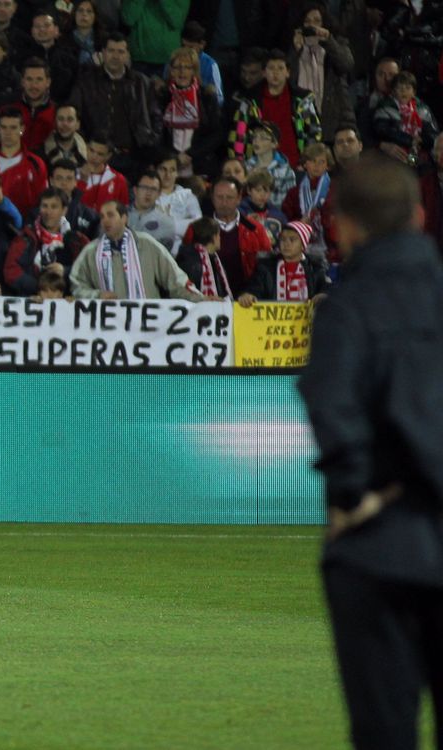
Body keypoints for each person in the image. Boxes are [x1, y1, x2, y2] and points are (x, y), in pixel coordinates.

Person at [296, 154, 443, 750]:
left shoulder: (346, 310)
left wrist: (354, 493)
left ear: (344, 226)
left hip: (378, 543)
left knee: (384, 733)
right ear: (418, 215)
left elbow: (330, 402)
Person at [70, 201, 203, 301]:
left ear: (124, 218)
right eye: (102, 216)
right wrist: (97, 295)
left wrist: (202, 300)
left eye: (110, 215)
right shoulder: (91, 251)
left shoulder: (147, 244)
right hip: (108, 328)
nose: (105, 221)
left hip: (147, 326)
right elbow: (76, 286)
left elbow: (176, 280)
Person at [68, 32, 158, 180]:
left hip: (133, 159)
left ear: (128, 54)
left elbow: (156, 118)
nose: (115, 56)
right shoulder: (86, 81)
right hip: (94, 158)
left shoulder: (142, 83)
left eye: (120, 51)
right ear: (103, 52)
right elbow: (74, 114)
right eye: (111, 51)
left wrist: (150, 146)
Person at [229, 50, 321, 168]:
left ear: (288, 72)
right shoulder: (248, 101)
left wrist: (307, 162)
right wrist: (240, 164)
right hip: (259, 168)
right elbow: (238, 134)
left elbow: (314, 132)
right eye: (271, 68)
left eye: (280, 68)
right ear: (264, 72)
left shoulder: (302, 100)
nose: (275, 73)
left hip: (295, 165)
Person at [289, 5, 354, 145]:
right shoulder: (294, 48)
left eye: (317, 21)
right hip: (303, 122)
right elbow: (289, 81)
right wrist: (296, 51)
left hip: (332, 119)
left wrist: (329, 40)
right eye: (307, 21)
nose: (312, 25)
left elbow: (346, 65)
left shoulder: (336, 43)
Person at [4, 187, 87, 296]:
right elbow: (11, 270)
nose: (48, 212)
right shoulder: (26, 237)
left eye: (54, 207)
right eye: (44, 206)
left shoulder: (77, 240)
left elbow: (88, 270)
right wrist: (41, 288)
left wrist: (65, 271)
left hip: (68, 306)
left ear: (64, 210)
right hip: (32, 302)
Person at [157, 46, 222, 179]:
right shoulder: (161, 95)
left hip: (199, 166)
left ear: (195, 70)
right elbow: (155, 133)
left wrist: (191, 154)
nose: (182, 72)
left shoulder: (206, 96)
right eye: (177, 67)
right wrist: (173, 156)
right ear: (170, 70)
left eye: (187, 67)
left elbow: (216, 133)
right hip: (167, 167)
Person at [0, 107, 48, 217]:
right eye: (4, 127)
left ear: (22, 129)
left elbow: (42, 201)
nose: (8, 133)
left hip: (24, 229)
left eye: (13, 128)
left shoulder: (36, 164)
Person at [238, 220, 329, 306]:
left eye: (292, 239)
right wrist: (248, 295)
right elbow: (254, 287)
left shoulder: (315, 268)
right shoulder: (266, 267)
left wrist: (323, 294)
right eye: (283, 239)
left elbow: (326, 288)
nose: (286, 244)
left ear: (303, 245)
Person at [209, 175, 271, 292]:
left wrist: (253, 292)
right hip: (211, 299)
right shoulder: (197, 229)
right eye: (220, 197)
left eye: (229, 197)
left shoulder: (255, 229)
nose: (224, 202)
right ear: (212, 198)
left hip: (248, 298)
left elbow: (267, 267)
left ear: (239, 198)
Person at [373, 72, 440, 169]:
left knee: (418, 168)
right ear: (393, 92)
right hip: (394, 154)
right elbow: (382, 130)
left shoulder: (422, 109)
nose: (403, 91)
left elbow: (433, 133)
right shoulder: (386, 108)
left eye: (408, 88)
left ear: (414, 92)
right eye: (400, 88)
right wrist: (409, 140)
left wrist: (422, 140)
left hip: (417, 151)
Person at [281, 142, 333, 258]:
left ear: (327, 166)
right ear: (305, 164)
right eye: (313, 161)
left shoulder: (334, 190)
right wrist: (299, 224)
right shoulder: (294, 193)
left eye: (321, 162)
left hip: (328, 248)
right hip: (300, 249)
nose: (317, 165)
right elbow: (285, 218)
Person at [175, 217, 231, 299]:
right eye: (219, 234)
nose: (220, 238)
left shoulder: (214, 259)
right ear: (214, 237)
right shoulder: (191, 261)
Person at [245, 121, 297, 201]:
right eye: (254, 137)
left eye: (263, 138)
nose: (256, 141)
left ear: (274, 144)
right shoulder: (245, 167)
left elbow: (290, 202)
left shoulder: (286, 172)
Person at [76, 134, 129, 213]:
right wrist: (82, 182)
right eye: (91, 150)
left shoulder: (118, 180)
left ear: (108, 156)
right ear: (86, 148)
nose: (94, 156)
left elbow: (123, 211)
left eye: (100, 154)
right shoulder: (73, 174)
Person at [154, 153, 201, 240]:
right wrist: (183, 224)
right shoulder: (149, 196)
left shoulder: (188, 196)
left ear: (177, 173)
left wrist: (167, 225)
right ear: (155, 170)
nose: (167, 175)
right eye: (163, 169)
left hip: (182, 250)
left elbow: (198, 226)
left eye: (172, 170)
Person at [128, 169, 177, 252]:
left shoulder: (167, 224)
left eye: (153, 189)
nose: (148, 193)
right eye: (144, 188)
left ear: (159, 194)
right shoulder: (117, 215)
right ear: (135, 190)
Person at [40, 103, 86, 168]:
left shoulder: (88, 157)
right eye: (61, 119)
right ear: (55, 122)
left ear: (78, 124)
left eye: (70, 119)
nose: (65, 124)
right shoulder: (40, 155)